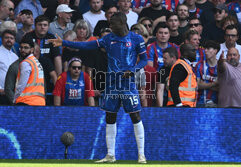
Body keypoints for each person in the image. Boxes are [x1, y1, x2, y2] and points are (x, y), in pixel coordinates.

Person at [49, 12, 147, 163]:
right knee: (110, 116)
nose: (110, 26)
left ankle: (141, 155)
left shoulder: (136, 39)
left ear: (122, 23)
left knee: (135, 116)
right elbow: (87, 45)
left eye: (112, 24)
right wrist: (65, 43)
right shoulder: (109, 39)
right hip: (112, 83)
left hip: (128, 84)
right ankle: (110, 155)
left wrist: (133, 70)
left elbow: (144, 61)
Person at [14, 37, 45, 106]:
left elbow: (22, 85)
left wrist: (15, 99)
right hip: (40, 102)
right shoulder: (36, 62)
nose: (23, 50)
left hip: (26, 101)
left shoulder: (26, 63)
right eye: (21, 47)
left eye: (26, 48)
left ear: (32, 49)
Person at [195, 40, 220, 107]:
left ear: (215, 51)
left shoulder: (221, 66)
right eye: (205, 48)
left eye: (208, 49)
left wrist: (204, 85)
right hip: (200, 102)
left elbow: (222, 88)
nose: (205, 51)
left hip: (217, 103)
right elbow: (197, 85)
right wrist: (214, 84)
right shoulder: (199, 65)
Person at [0, 29, 18, 105]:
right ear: (2, 39)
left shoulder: (15, 57)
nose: (9, 40)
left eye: (11, 38)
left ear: (14, 41)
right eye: (6, 37)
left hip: (12, 94)